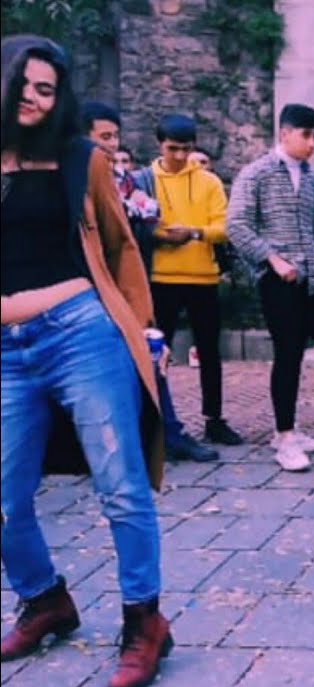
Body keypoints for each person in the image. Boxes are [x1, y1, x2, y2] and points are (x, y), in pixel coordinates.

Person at [0, 35, 171, 687]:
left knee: (120, 485)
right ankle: (45, 600)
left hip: (81, 334)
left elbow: (123, 246)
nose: (35, 99)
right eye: (24, 85)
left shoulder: (82, 159)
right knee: (7, 500)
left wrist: (144, 329)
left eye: (47, 89)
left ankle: (144, 622)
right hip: (7, 353)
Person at [81, 103, 218, 463]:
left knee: (150, 354)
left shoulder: (123, 179)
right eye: (105, 137)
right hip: (84, 284)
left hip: (123, 281)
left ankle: (166, 434)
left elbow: (135, 224)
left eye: (116, 136)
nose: (113, 145)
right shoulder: (71, 175)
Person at [227, 103, 314, 472]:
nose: (312, 143)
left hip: (308, 279)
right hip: (277, 278)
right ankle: (284, 437)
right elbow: (236, 225)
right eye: (306, 135)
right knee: (286, 352)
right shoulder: (256, 174)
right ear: (284, 133)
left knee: (297, 353)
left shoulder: (313, 179)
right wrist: (272, 259)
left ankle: (289, 428)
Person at [144, 113, 244, 447]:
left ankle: (214, 420)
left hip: (203, 277)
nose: (180, 156)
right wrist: (161, 236)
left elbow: (225, 227)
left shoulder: (209, 182)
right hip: (160, 278)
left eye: (186, 149)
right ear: (160, 144)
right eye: (173, 149)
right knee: (158, 353)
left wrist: (195, 233)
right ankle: (158, 419)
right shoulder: (145, 180)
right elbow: (135, 225)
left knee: (210, 352)